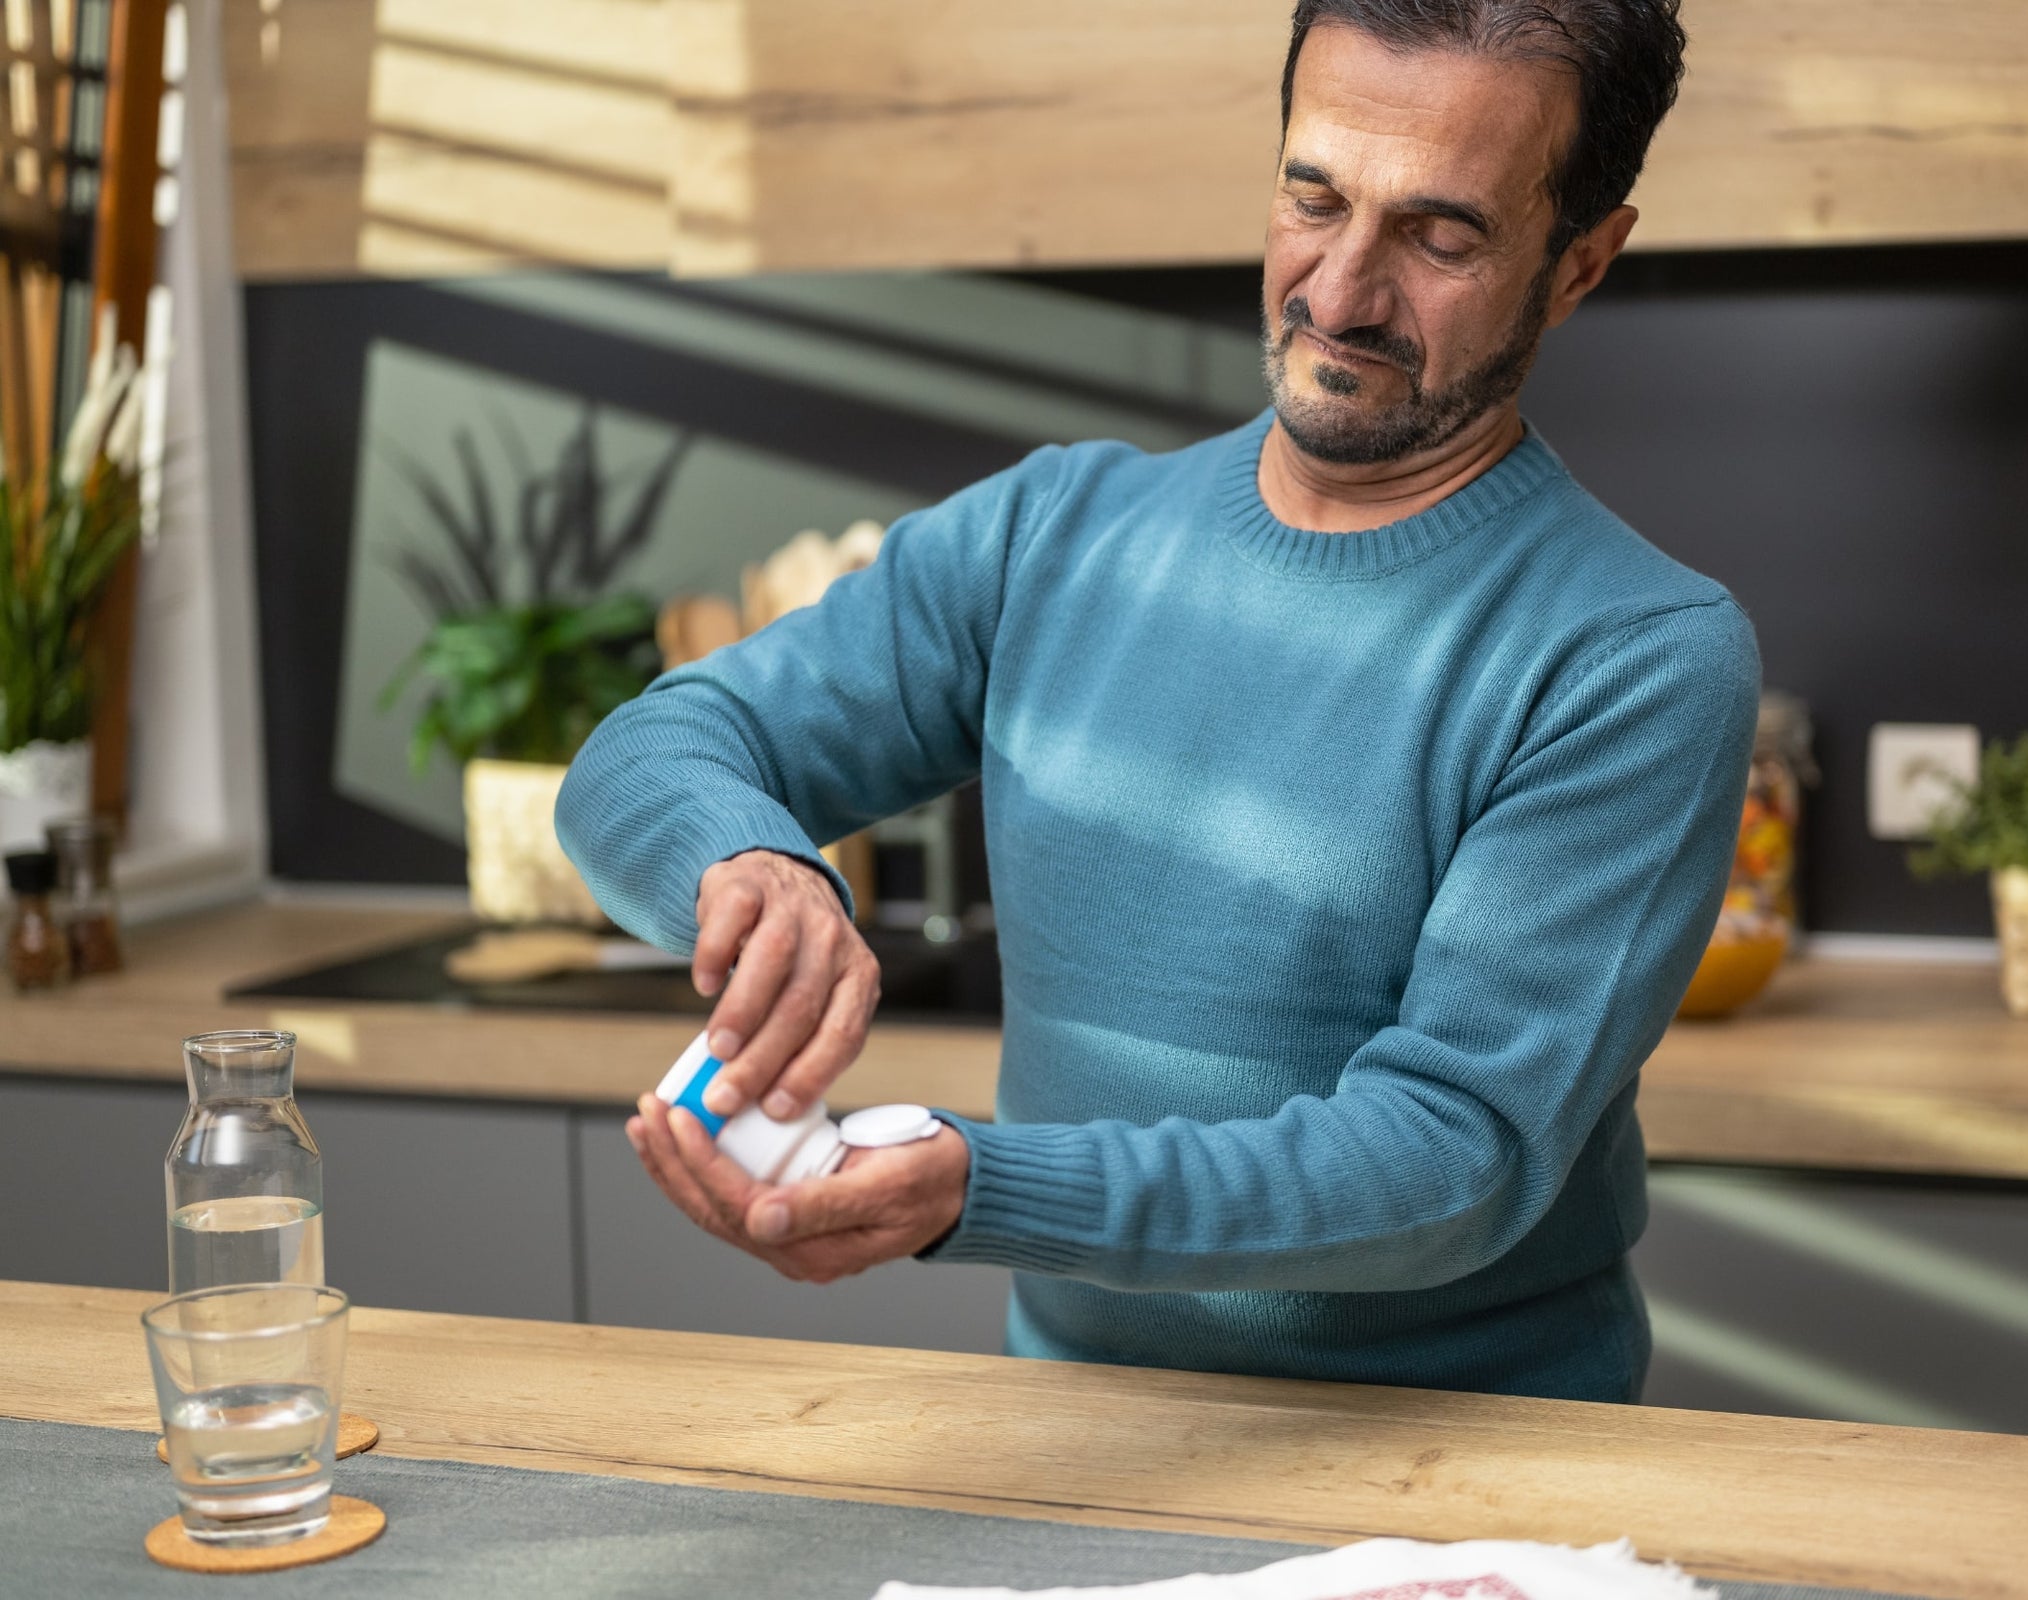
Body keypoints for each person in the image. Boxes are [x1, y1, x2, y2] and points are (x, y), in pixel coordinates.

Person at [557, 0, 1755, 1403]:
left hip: (1470, 1471)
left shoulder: (1634, 654)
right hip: (1081, 1445)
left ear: (1579, 265)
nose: (1341, 291)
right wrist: (747, 862)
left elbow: (1450, 1159)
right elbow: (648, 751)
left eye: (1439, 236)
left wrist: (980, 1188)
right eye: (1313, 198)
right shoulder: (1046, 538)